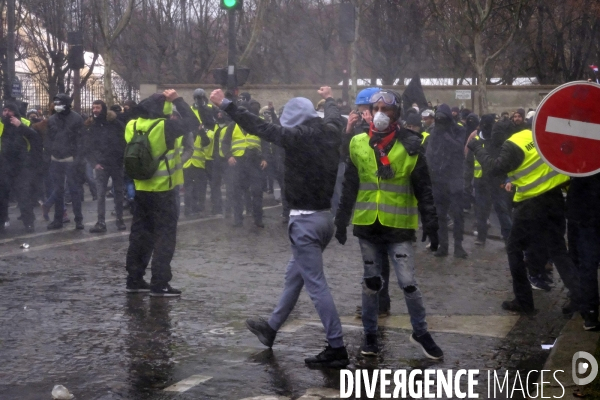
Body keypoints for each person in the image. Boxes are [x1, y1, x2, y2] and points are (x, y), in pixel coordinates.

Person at [210, 86, 350, 368]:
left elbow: (258, 125)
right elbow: (335, 116)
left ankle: (336, 346)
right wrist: (330, 98)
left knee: (316, 286)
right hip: (325, 218)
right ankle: (271, 328)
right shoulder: (332, 130)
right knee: (294, 276)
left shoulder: (294, 138)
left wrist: (227, 104)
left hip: (305, 221)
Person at [334, 90, 443, 359]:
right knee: (371, 283)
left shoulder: (411, 144)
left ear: (397, 113)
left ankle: (420, 331)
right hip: (368, 224)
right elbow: (350, 184)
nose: (381, 113)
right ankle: (370, 335)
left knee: (408, 283)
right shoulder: (358, 142)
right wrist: (341, 219)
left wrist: (431, 223)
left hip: (399, 226)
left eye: (387, 108)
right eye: (377, 107)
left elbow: (424, 189)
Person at [467, 121, 580, 314]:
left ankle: (524, 301)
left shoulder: (512, 144)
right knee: (558, 250)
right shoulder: (532, 136)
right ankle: (581, 298)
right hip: (554, 198)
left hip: (531, 204)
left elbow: (494, 167)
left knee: (514, 249)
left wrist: (476, 146)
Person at [124, 89, 197, 297]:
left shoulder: (132, 125)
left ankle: (134, 279)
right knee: (165, 237)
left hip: (141, 189)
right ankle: (160, 283)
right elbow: (192, 122)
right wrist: (178, 99)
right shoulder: (165, 127)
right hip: (163, 190)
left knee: (140, 236)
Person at [425, 104, 468, 258]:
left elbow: (458, 148)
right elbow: (430, 154)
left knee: (458, 214)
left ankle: (458, 246)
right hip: (439, 180)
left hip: (455, 178)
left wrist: (445, 136)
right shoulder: (434, 132)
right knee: (440, 215)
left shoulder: (459, 129)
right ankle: (443, 246)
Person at [221, 100, 267, 228]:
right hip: (238, 162)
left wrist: (265, 158)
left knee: (257, 191)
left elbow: (264, 143)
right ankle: (238, 219)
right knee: (237, 192)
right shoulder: (232, 126)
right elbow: (225, 143)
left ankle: (258, 219)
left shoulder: (256, 124)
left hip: (255, 161)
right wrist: (228, 156)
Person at [85, 100, 127, 232]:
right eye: (93, 107)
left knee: (119, 193)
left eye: (97, 107)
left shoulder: (116, 124)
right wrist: (94, 163)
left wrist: (122, 160)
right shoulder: (93, 126)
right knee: (101, 194)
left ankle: (120, 219)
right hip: (101, 165)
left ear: (103, 108)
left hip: (116, 163)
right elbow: (88, 146)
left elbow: (124, 142)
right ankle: (101, 221)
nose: (95, 110)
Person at [46, 93, 85, 230]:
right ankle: (58, 220)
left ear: (67, 104)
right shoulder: (51, 119)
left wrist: (77, 158)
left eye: (59, 102)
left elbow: (81, 141)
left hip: (70, 159)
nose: (57, 105)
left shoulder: (76, 119)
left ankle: (78, 219)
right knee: (58, 190)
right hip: (56, 158)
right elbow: (49, 138)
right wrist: (50, 153)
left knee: (74, 190)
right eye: (55, 102)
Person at [0, 102, 40, 233]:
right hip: (3, 165)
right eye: (4, 110)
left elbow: (35, 138)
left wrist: (20, 126)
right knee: (2, 196)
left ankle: (28, 222)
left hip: (21, 166)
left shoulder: (25, 123)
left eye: (9, 110)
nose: (6, 113)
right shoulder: (1, 124)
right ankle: (2, 220)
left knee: (24, 196)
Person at [567, 173, 600, 330]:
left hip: (585, 211)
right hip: (586, 211)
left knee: (586, 263)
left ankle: (589, 313)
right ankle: (588, 311)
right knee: (587, 263)